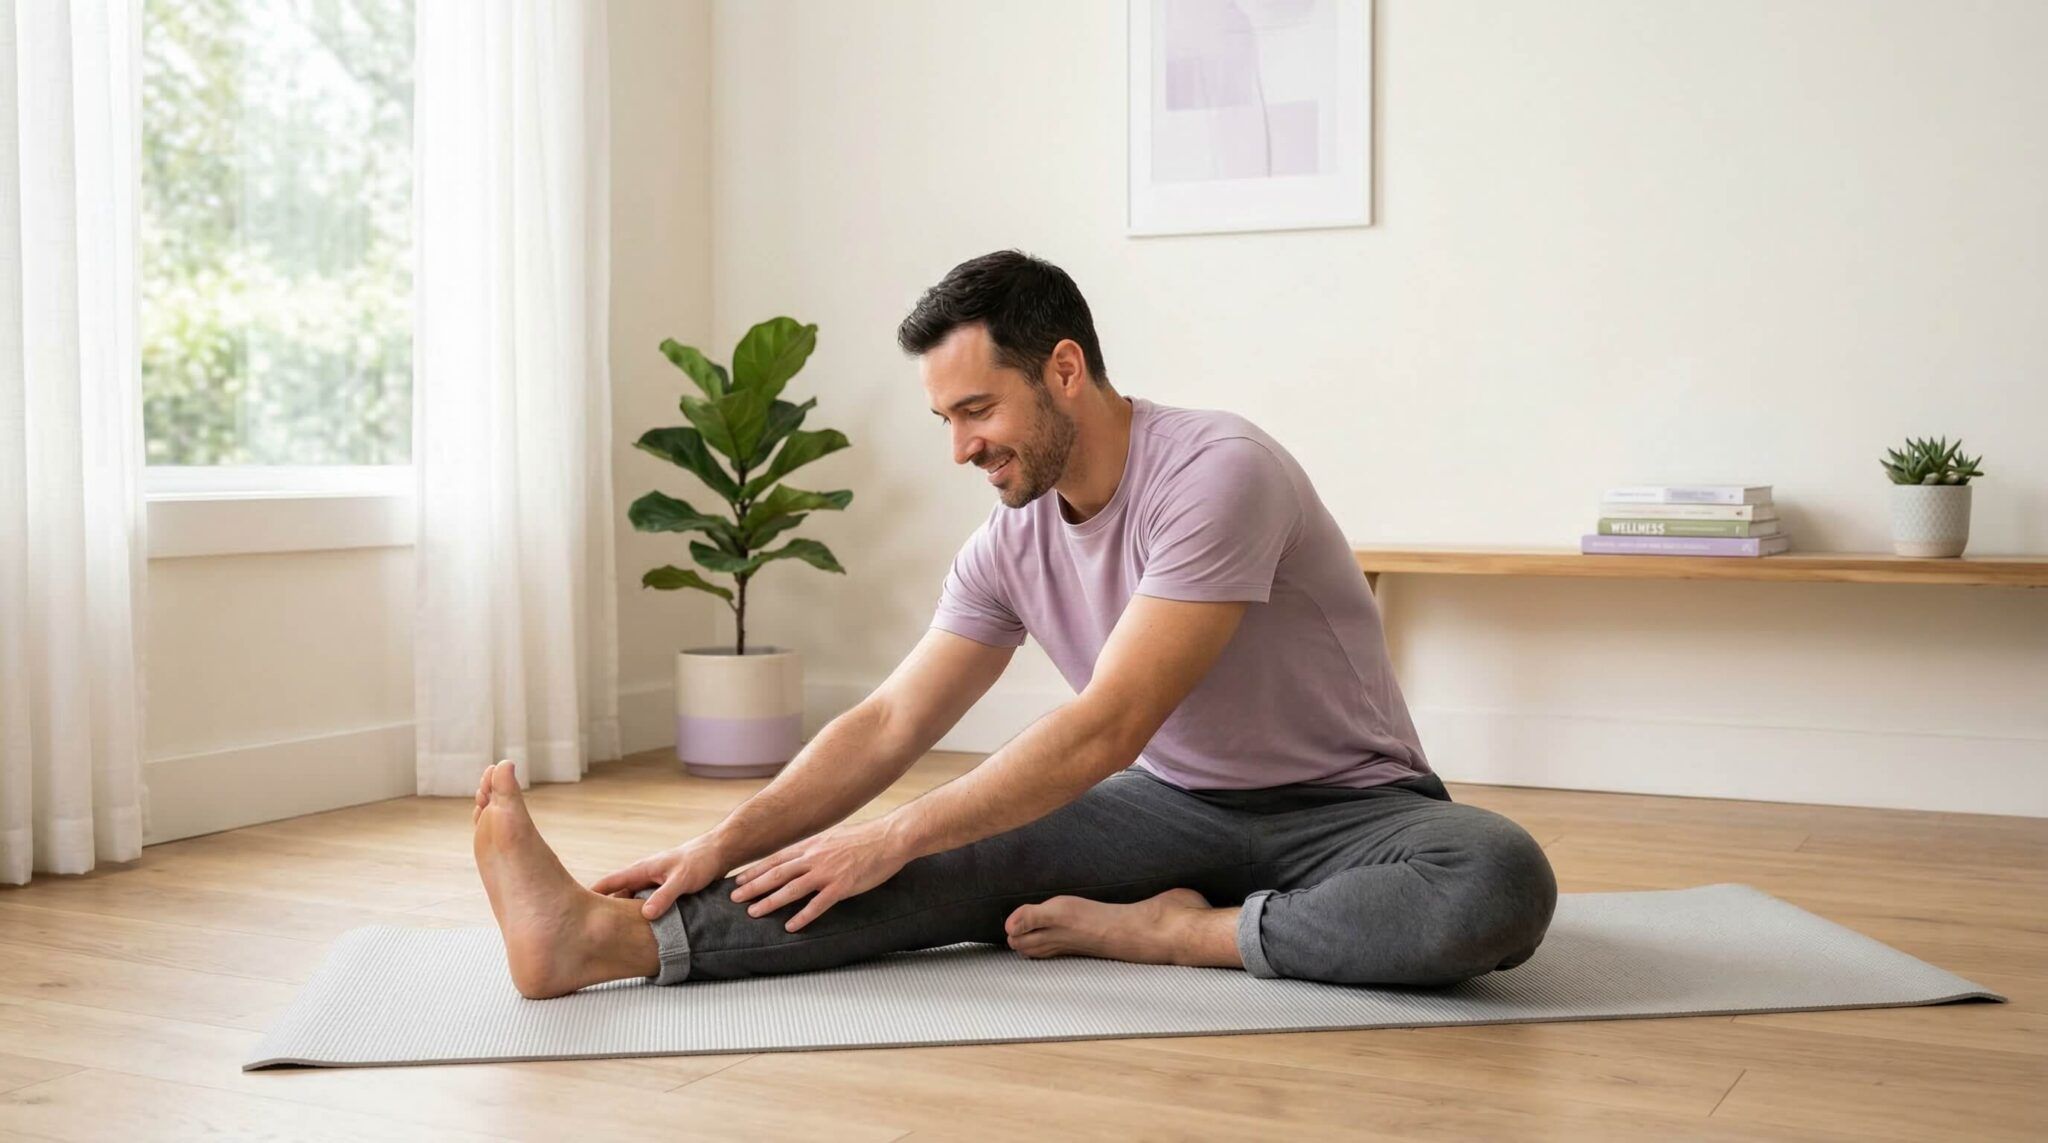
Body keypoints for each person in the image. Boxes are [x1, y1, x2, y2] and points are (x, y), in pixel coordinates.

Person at [470, 250, 1558, 999]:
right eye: (943, 419)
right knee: (929, 860)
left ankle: (1180, 932)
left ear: (1065, 371)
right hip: (1169, 810)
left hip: (1348, 812)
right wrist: (727, 840)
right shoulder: (1011, 537)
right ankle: (599, 943)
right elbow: (893, 719)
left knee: (1495, 881)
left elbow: (1109, 724)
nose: (959, 449)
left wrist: (903, 829)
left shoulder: (1219, 474)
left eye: (977, 411)